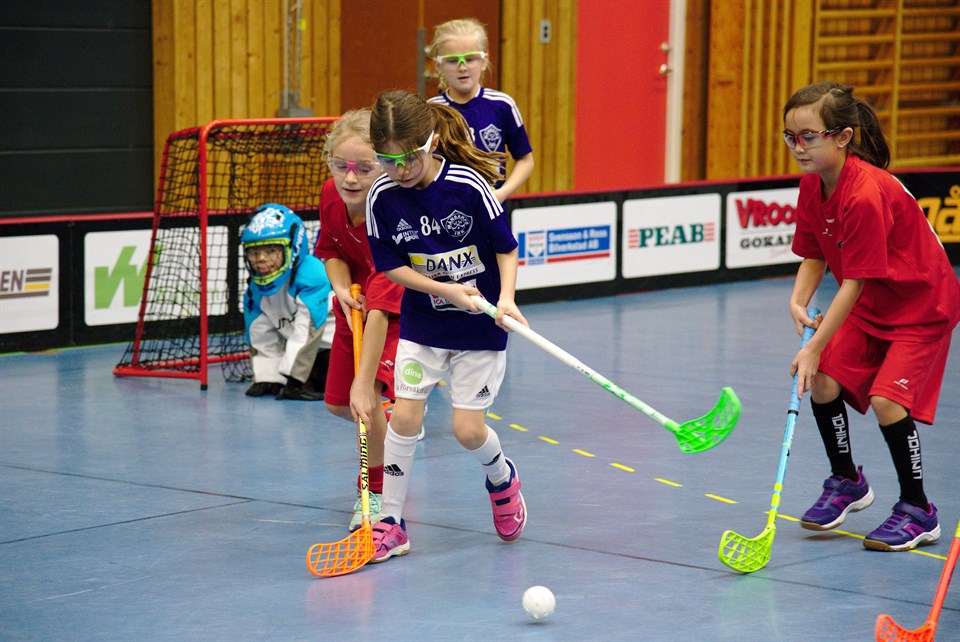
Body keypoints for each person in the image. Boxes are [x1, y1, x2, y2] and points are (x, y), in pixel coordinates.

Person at [784, 82, 960, 552]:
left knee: (887, 401)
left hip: (922, 306)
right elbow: (815, 253)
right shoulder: (812, 185)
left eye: (808, 136)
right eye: (790, 137)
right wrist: (798, 300)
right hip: (873, 301)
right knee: (823, 379)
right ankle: (847, 481)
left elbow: (854, 283)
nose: (798, 147)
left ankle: (918, 510)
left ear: (843, 137)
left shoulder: (865, 193)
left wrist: (813, 346)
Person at [363, 89, 529, 562]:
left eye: (408, 158)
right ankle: (391, 523)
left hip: (480, 328)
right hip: (424, 325)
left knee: (467, 431)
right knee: (404, 417)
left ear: (431, 142)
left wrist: (506, 299)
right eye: (387, 160)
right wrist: (446, 289)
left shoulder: (469, 186)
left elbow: (506, 248)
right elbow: (391, 266)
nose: (399, 171)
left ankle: (502, 477)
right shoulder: (381, 196)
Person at [313, 108, 406, 531]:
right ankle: (399, 416)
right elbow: (331, 248)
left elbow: (383, 309)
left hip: (394, 313)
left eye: (364, 168)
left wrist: (365, 383)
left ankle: (376, 493)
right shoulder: (331, 196)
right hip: (353, 306)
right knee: (339, 404)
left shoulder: (392, 215)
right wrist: (340, 290)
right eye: (341, 166)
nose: (350, 178)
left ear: (383, 166)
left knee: (367, 403)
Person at [427, 17, 534, 204]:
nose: (462, 67)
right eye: (452, 61)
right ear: (438, 66)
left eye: (470, 59)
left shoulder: (502, 105)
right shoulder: (431, 110)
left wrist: (502, 193)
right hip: (446, 209)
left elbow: (526, 160)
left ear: (484, 61)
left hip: (493, 208)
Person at [241, 203, 332, 401]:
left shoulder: (313, 274)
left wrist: (294, 381)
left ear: (293, 248)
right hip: (301, 350)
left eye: (271, 250)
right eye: (254, 252)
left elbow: (307, 331)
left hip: (331, 347)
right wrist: (267, 377)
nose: (261, 259)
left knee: (328, 380)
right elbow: (260, 333)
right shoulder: (254, 289)